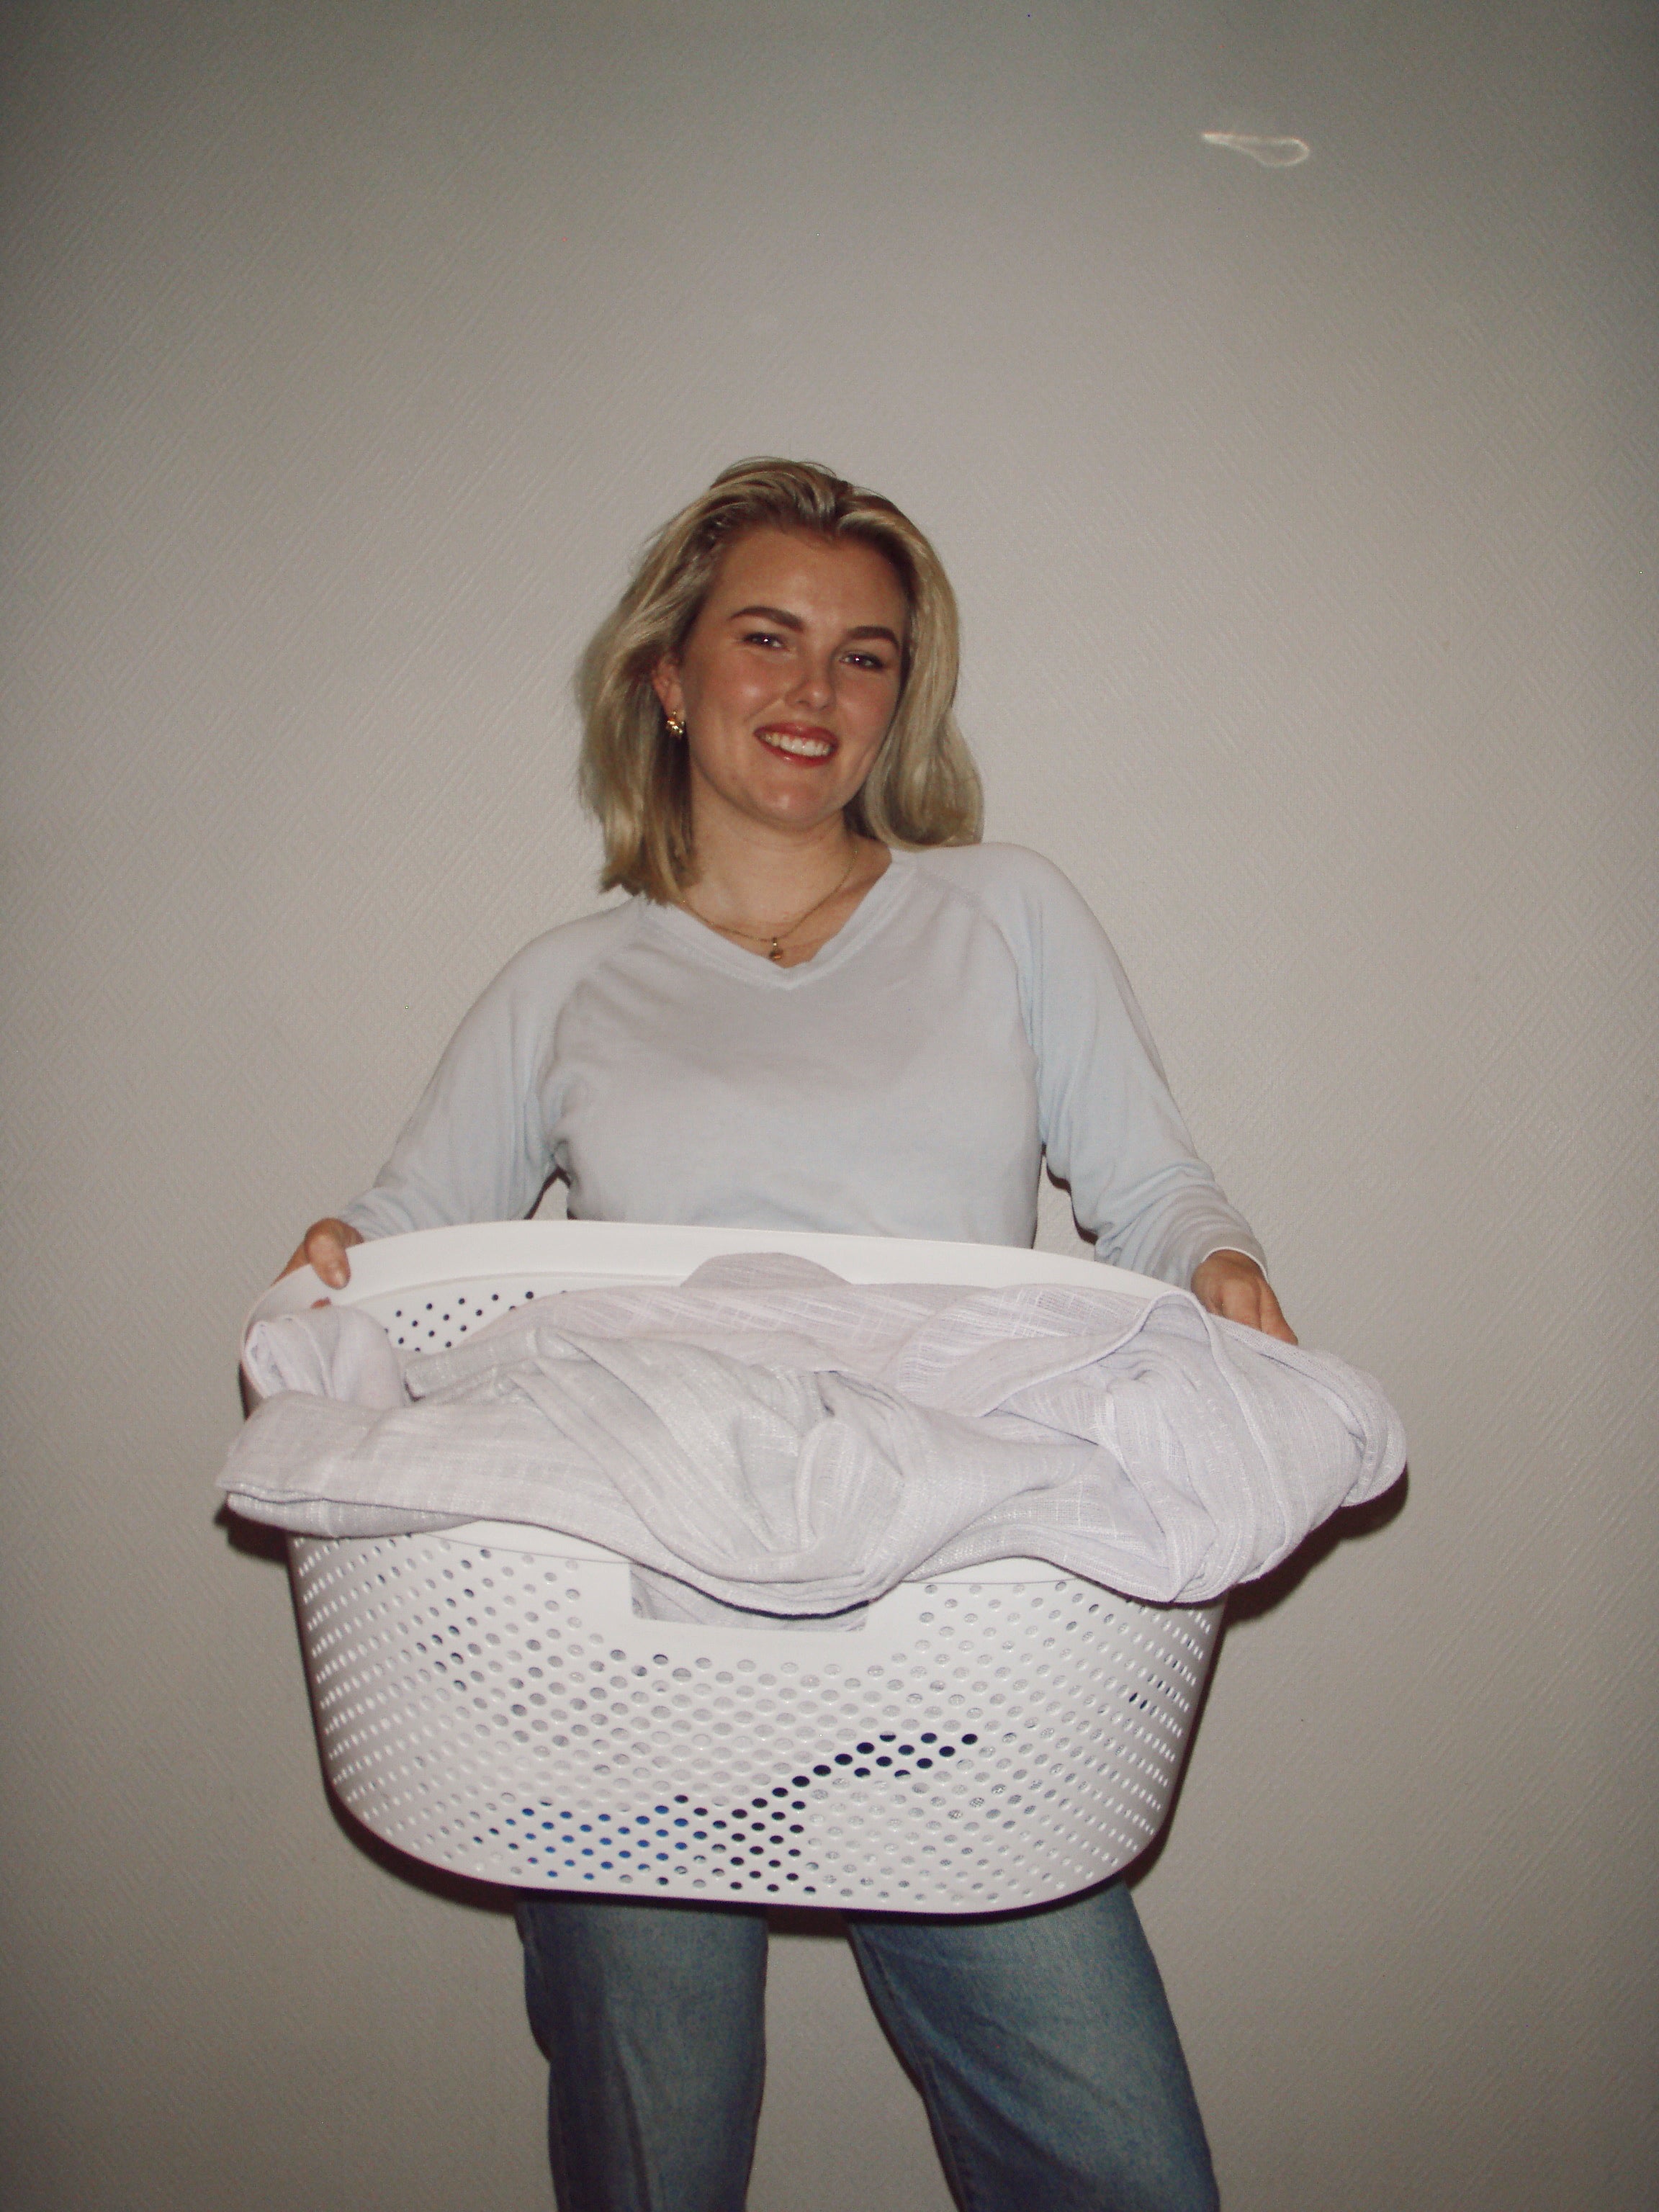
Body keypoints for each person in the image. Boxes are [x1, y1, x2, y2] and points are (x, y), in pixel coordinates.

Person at [282, 457, 1295, 2212]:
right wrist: (335, 1268)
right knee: (655, 2162)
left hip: (957, 1611)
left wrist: (1220, 1268)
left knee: (1120, 2165)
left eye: (866, 654)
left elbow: (1152, 1188)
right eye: (767, 637)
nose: (816, 689)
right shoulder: (567, 984)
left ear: (904, 696)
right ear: (668, 677)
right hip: (633, 1642)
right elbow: (407, 1237)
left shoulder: (1005, 914)